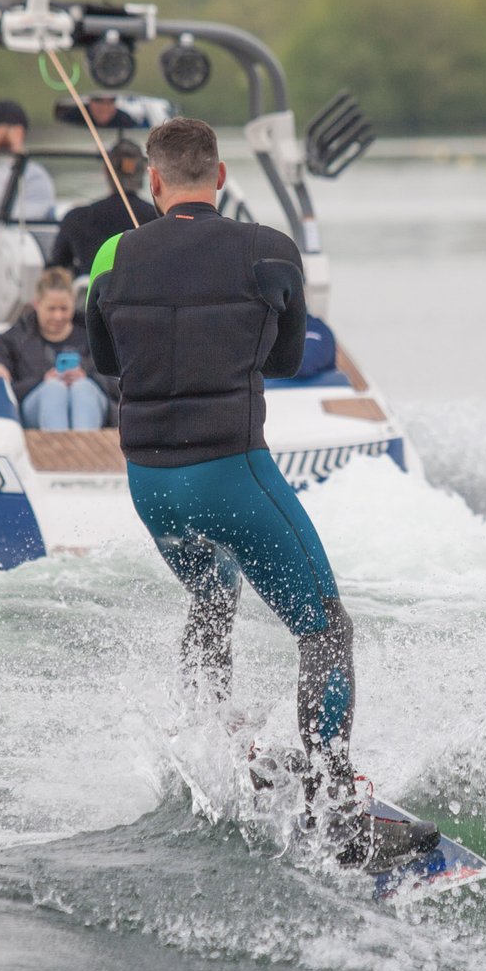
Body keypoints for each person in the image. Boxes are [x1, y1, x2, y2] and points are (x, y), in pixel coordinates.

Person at [83, 117, 438, 872]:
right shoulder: (269, 249)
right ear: (219, 177)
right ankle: (339, 814)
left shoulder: (113, 254)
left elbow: (103, 360)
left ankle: (212, 748)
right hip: (229, 472)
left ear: (153, 182)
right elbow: (284, 353)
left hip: (149, 484)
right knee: (324, 628)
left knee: (212, 598)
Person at [0, 268, 116, 430]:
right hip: (36, 406)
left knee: (82, 388)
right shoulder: (14, 339)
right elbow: (1, 389)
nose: (58, 316)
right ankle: (59, 451)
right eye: (51, 309)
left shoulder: (94, 333)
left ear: (73, 302)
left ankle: (84, 448)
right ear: (37, 304)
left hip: (89, 402)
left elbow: (117, 383)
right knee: (54, 389)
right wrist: (42, 379)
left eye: (63, 309)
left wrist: (87, 375)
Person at [48, 139, 156, 275]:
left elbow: (57, 268)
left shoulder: (76, 218)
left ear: (106, 172)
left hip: (91, 293)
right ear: (145, 173)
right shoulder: (159, 219)